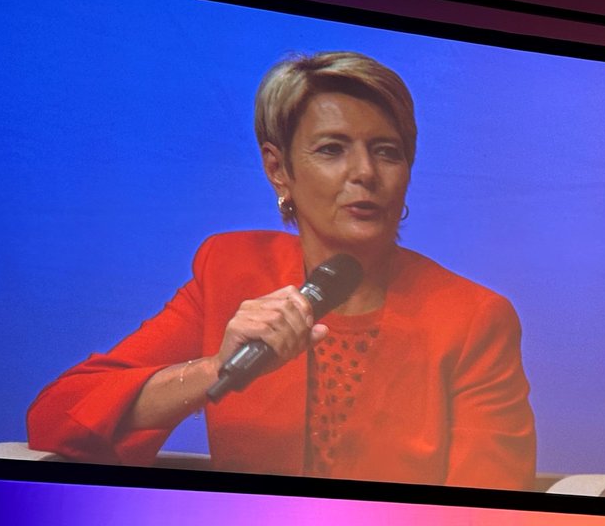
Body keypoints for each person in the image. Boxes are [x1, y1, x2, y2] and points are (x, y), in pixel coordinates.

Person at [27, 51, 535, 490]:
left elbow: (489, 506)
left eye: (387, 152)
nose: (365, 173)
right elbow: (56, 417)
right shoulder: (230, 270)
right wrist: (214, 371)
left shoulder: (472, 319)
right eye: (332, 149)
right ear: (278, 169)